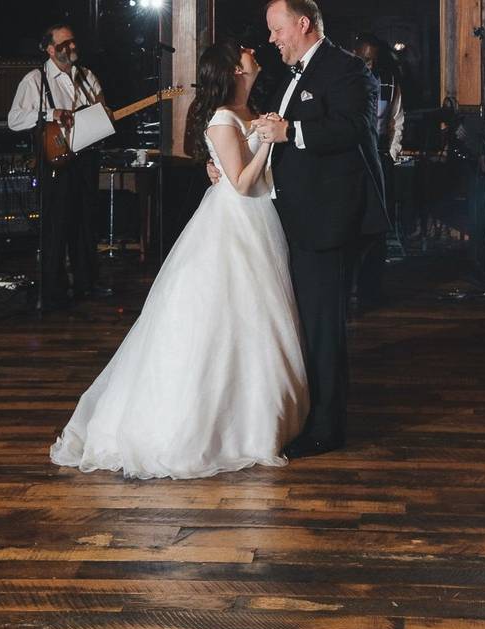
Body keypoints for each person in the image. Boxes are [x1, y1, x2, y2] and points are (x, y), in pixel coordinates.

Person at [49, 41, 309, 479]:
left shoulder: (251, 109)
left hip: (260, 222)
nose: (253, 51)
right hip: (234, 222)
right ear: (232, 69)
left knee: (258, 317)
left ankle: (265, 412)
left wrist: (262, 138)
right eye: (244, 52)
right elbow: (243, 183)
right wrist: (265, 143)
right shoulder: (224, 118)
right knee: (221, 317)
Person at [223, 0, 388, 458]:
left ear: (303, 24)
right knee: (305, 325)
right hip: (296, 219)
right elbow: (275, 136)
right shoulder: (290, 75)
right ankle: (307, 414)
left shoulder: (348, 68)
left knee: (322, 327)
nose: (272, 40)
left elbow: (353, 128)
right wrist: (227, 165)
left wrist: (291, 130)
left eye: (277, 31)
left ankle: (327, 429)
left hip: (329, 221)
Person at [8, 23, 107, 310]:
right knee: (56, 225)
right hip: (56, 161)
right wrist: (52, 113)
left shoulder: (87, 77)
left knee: (85, 223)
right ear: (50, 50)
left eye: (73, 42)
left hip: (86, 159)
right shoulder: (35, 80)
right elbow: (15, 119)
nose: (71, 48)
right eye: (64, 44)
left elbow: (101, 109)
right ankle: (53, 290)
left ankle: (87, 284)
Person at [350, 32, 405, 309]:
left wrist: (391, 155)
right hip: (351, 162)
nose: (368, 65)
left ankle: (371, 291)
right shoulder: (345, 82)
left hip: (380, 160)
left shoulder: (389, 82)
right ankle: (350, 288)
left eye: (373, 60)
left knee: (378, 229)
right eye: (364, 59)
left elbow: (397, 119)